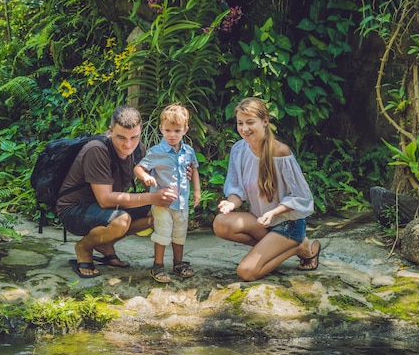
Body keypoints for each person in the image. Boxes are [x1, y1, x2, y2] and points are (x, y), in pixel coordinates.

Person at [56, 106, 178, 278]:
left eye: (134, 137)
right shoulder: (96, 150)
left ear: (140, 132)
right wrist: (151, 197)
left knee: (158, 212)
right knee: (121, 220)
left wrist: (175, 177)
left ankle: (105, 244)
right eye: (121, 137)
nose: (128, 144)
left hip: (107, 208)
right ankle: (84, 247)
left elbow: (150, 185)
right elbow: (105, 199)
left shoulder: (138, 149)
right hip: (74, 209)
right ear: (111, 130)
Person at [212, 97, 319, 282]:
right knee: (221, 223)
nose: (244, 129)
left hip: (287, 224)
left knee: (246, 272)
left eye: (250, 122)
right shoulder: (239, 149)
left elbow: (302, 197)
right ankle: (281, 248)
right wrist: (230, 204)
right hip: (262, 222)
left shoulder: (281, 152)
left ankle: (297, 246)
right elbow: (237, 191)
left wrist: (274, 212)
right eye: (240, 123)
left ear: (265, 121)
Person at [134, 103, 201, 283]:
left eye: (177, 131)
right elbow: (138, 168)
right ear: (161, 129)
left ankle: (178, 263)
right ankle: (158, 265)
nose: (172, 135)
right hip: (162, 203)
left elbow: (193, 170)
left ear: (185, 129)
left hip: (181, 202)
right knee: (162, 234)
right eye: (168, 130)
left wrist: (197, 192)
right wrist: (146, 177)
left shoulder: (188, 151)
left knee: (180, 233)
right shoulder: (156, 152)